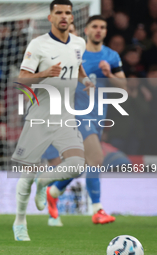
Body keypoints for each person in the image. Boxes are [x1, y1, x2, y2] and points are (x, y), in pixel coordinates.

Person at [11, 0, 94, 241]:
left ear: (71, 17)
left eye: (68, 13)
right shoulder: (38, 45)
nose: (64, 16)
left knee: (78, 164)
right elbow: (22, 80)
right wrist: (43, 74)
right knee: (25, 176)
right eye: (59, 12)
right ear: (50, 17)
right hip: (39, 117)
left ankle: (43, 182)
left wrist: (86, 81)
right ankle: (19, 222)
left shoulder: (79, 43)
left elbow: (76, 66)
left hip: (65, 116)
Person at [44, 15, 127, 227]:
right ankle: (97, 209)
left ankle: (53, 192)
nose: (98, 30)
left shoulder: (112, 56)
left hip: (99, 117)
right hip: (77, 114)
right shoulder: (75, 53)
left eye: (102, 27)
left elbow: (123, 88)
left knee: (82, 165)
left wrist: (110, 74)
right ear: (87, 30)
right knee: (96, 158)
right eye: (94, 27)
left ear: (106, 31)